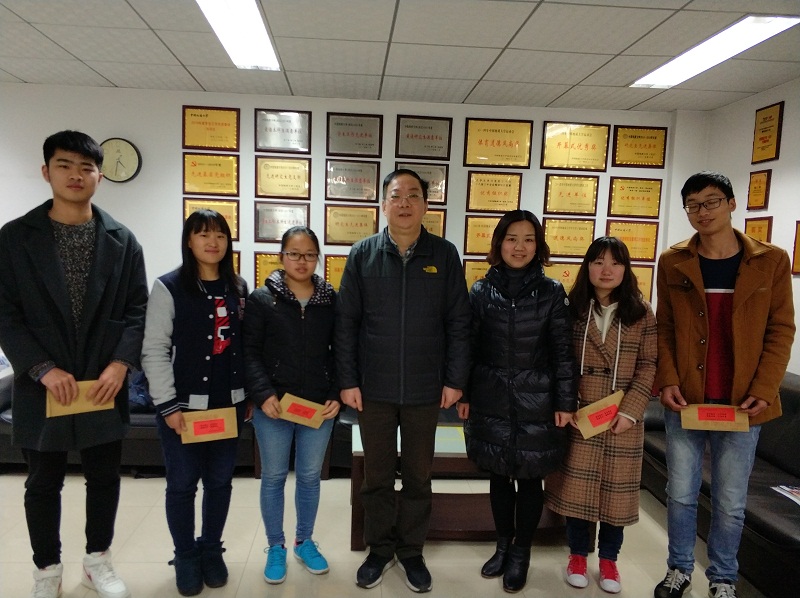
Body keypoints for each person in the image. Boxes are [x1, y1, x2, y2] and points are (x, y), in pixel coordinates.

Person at [0, 130, 148, 598]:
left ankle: (97, 562)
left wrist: (121, 364)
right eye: (65, 165)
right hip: (44, 383)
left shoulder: (122, 240)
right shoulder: (14, 238)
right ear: (47, 172)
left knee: (104, 477)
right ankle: (46, 571)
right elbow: (4, 313)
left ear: (99, 176)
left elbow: (137, 310)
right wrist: (41, 368)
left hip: (102, 381)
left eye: (86, 167)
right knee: (43, 482)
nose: (76, 175)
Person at [653, 172, 794, 598]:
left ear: (732, 204)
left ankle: (723, 578)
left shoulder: (771, 260)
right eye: (693, 205)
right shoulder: (673, 261)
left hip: (742, 403)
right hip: (688, 400)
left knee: (731, 502)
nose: (703, 212)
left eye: (712, 201)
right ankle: (679, 569)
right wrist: (668, 380)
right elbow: (664, 328)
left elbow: (781, 330)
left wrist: (765, 388)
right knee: (680, 494)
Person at [335, 169, 471, 593]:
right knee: (376, 477)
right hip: (372, 389)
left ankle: (411, 551)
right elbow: (346, 323)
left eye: (414, 195)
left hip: (424, 390)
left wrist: (455, 379)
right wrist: (348, 380)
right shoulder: (362, 254)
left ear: (426, 205)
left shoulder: (444, 254)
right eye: (397, 195)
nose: (405, 203)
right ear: (384, 204)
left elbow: (459, 322)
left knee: (417, 476)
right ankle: (379, 549)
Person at [457, 209, 578, 593]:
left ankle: (521, 551)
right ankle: (502, 545)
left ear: (538, 246)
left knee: (528, 479)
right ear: (499, 243)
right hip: (490, 396)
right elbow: (469, 347)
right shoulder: (481, 291)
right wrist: (465, 393)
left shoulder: (552, 292)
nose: (519, 247)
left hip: (537, 401)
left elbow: (563, 353)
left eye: (528, 239)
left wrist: (565, 402)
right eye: (512, 239)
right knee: (497, 476)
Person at [141, 209, 248, 596]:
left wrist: (247, 396)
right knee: (183, 484)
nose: (212, 242)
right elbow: (154, 350)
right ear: (189, 241)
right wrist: (168, 406)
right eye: (203, 234)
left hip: (228, 406)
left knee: (220, 483)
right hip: (183, 409)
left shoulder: (238, 286)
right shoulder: (169, 287)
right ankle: (185, 555)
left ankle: (211, 549)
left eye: (220, 234)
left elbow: (243, 345)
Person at [544, 236, 657, 594]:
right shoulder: (571, 309)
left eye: (615, 262)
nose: (606, 270)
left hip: (622, 418)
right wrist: (566, 403)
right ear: (587, 267)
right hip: (582, 414)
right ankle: (577, 555)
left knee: (615, 495)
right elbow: (556, 358)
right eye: (598, 261)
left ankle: (609, 560)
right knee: (577, 491)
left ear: (625, 269)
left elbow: (648, 365)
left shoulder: (641, 312)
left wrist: (631, 411)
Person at [243, 226, 340, 585]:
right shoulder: (261, 299)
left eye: (310, 255)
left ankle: (304, 541)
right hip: (274, 407)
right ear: (281, 256)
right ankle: (275, 546)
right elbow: (249, 353)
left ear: (318, 258)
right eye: (294, 254)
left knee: (310, 477)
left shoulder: (330, 299)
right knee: (273, 477)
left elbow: (341, 350)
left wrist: (336, 393)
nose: (302, 261)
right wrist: (262, 394)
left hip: (317, 407)